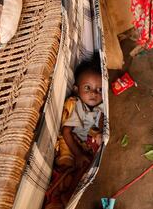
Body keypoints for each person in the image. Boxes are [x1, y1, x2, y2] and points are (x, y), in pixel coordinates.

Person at [44, 59, 104, 209]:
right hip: (69, 147)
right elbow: (66, 132)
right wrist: (77, 154)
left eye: (99, 90)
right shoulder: (75, 104)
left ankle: (67, 195)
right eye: (88, 88)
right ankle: (62, 197)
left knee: (85, 169)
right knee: (71, 170)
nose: (94, 94)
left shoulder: (99, 108)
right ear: (77, 90)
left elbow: (101, 124)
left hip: (83, 146)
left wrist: (100, 133)